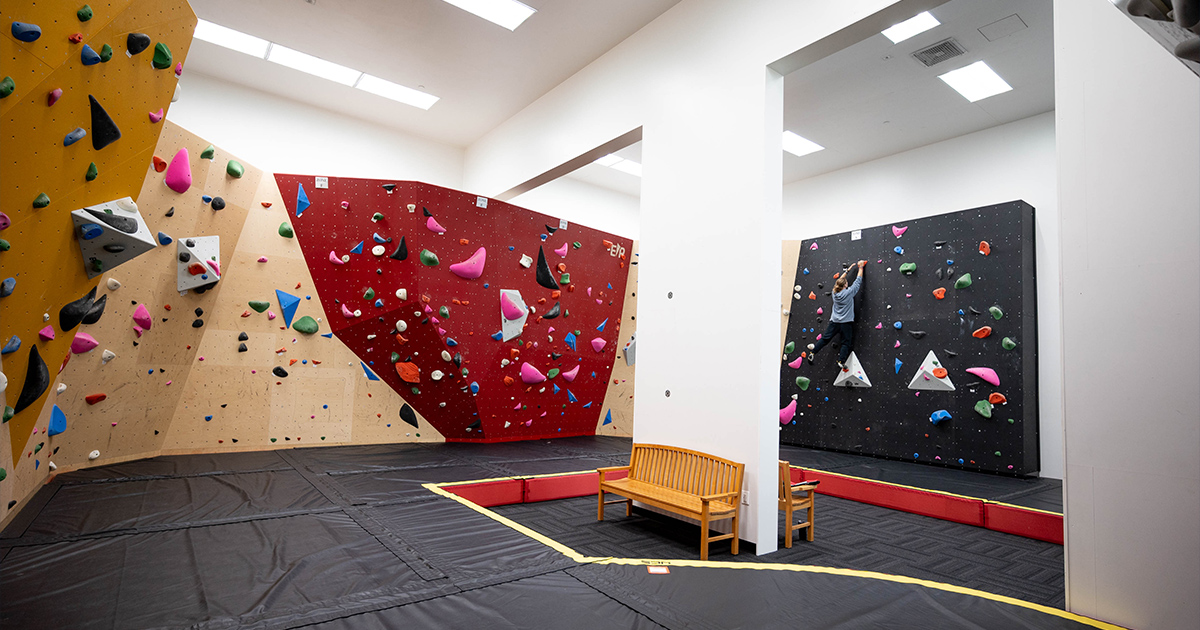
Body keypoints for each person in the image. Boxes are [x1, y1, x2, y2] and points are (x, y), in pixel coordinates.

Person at [808, 260, 866, 370]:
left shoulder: (834, 293)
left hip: (834, 322)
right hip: (846, 323)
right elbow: (858, 281)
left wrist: (847, 271)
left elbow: (838, 283)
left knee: (825, 339)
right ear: (845, 285)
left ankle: (813, 352)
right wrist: (861, 267)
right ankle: (841, 360)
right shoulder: (849, 292)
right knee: (846, 343)